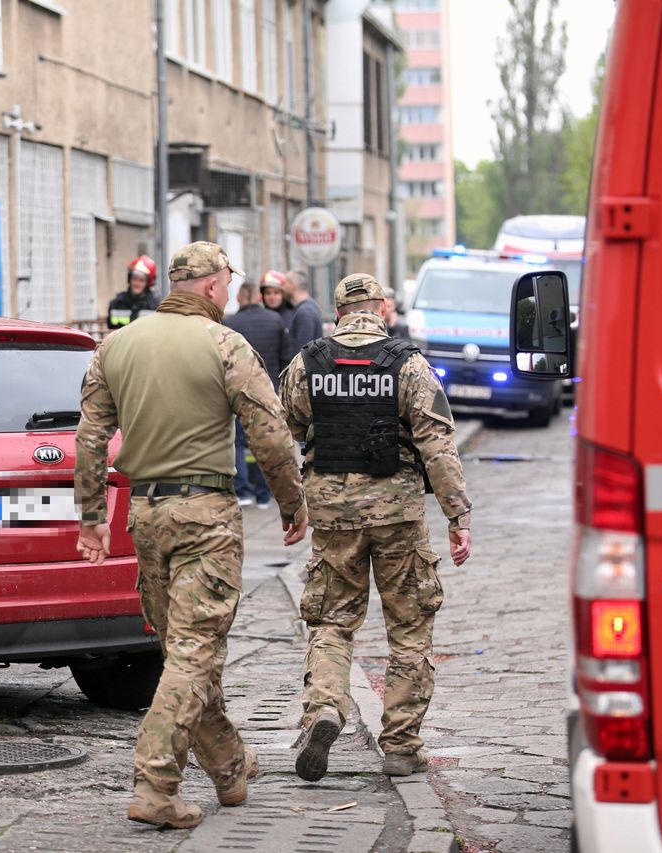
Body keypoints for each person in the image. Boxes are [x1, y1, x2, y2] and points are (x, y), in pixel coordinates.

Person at [75, 241, 308, 829]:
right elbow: (271, 435)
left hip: (145, 517)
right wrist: (291, 504)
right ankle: (155, 786)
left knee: (184, 651)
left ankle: (230, 766)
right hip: (206, 517)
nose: (230, 293)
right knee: (193, 654)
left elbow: (89, 436)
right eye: (228, 283)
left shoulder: (115, 345)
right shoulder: (224, 345)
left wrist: (91, 517)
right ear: (209, 285)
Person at [278, 273, 472, 783]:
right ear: (382, 309)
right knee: (409, 628)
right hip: (398, 514)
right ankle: (401, 746)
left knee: (332, 621)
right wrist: (457, 515)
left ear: (338, 312)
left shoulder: (308, 362)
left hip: (332, 514)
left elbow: (283, 432)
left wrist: (289, 504)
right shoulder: (408, 364)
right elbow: (437, 444)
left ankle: (324, 709)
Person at [224, 280, 292, 509]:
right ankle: (264, 494)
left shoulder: (230, 323)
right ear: (259, 298)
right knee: (264, 441)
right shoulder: (275, 321)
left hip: (237, 389)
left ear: (240, 298)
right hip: (267, 387)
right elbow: (286, 356)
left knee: (238, 443)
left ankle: (243, 491)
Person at [107, 255, 160, 329]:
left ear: (148, 283)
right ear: (129, 279)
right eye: (134, 279)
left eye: (141, 280)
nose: (137, 283)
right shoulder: (117, 303)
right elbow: (111, 329)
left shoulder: (155, 306)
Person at [285, 269, 325, 355]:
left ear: (292, 285)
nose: (283, 288)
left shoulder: (305, 312)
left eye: (285, 284)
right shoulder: (309, 307)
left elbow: (303, 352)